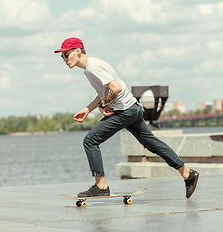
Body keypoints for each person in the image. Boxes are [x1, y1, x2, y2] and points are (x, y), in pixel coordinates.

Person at [54, 37, 199, 199]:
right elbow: (105, 91)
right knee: (152, 143)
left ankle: (101, 186)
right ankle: (187, 173)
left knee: (90, 140)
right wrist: (88, 109)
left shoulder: (93, 67)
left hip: (124, 111)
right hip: (133, 108)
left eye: (66, 55)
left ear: (78, 51)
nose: (65, 59)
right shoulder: (90, 67)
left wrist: (103, 105)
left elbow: (115, 89)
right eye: (62, 57)